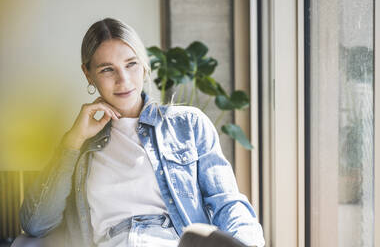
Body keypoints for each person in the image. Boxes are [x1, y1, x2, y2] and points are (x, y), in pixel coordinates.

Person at [18, 17, 265, 247]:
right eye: (107, 69)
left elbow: (227, 202)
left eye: (131, 64)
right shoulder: (80, 146)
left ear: (144, 65)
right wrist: (72, 142)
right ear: (88, 74)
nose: (123, 80)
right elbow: (36, 224)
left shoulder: (188, 124)